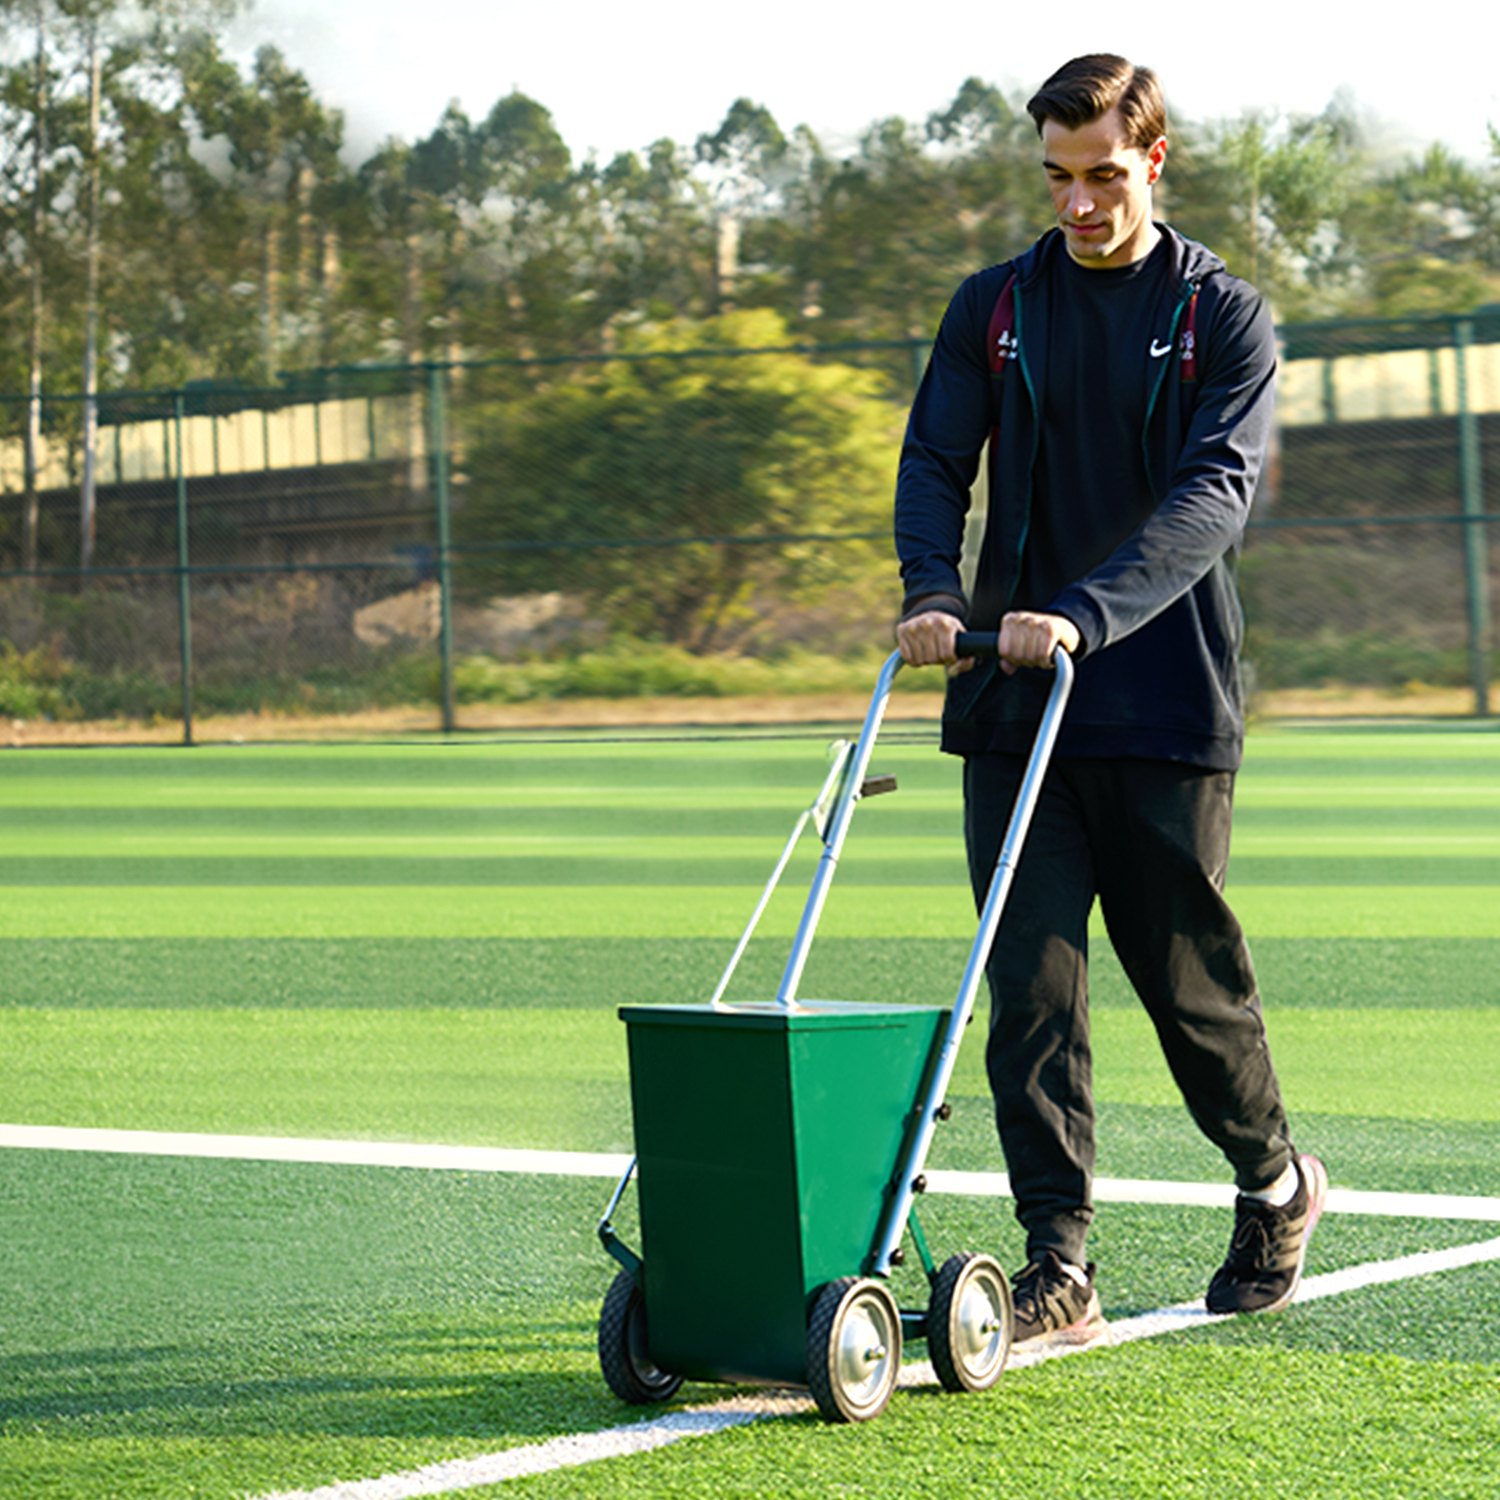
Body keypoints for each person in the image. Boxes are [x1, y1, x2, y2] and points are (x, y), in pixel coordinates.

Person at [894, 53, 1326, 1344]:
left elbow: (1216, 494)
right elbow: (934, 456)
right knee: (1028, 986)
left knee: (1187, 985)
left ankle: (1274, 1182)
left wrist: (1085, 611)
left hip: (1160, 698)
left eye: (1103, 175)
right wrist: (933, 590)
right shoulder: (995, 307)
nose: (1079, 203)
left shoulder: (1221, 317)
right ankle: (1056, 1264)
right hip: (1013, 702)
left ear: (1155, 158)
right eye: (1057, 177)